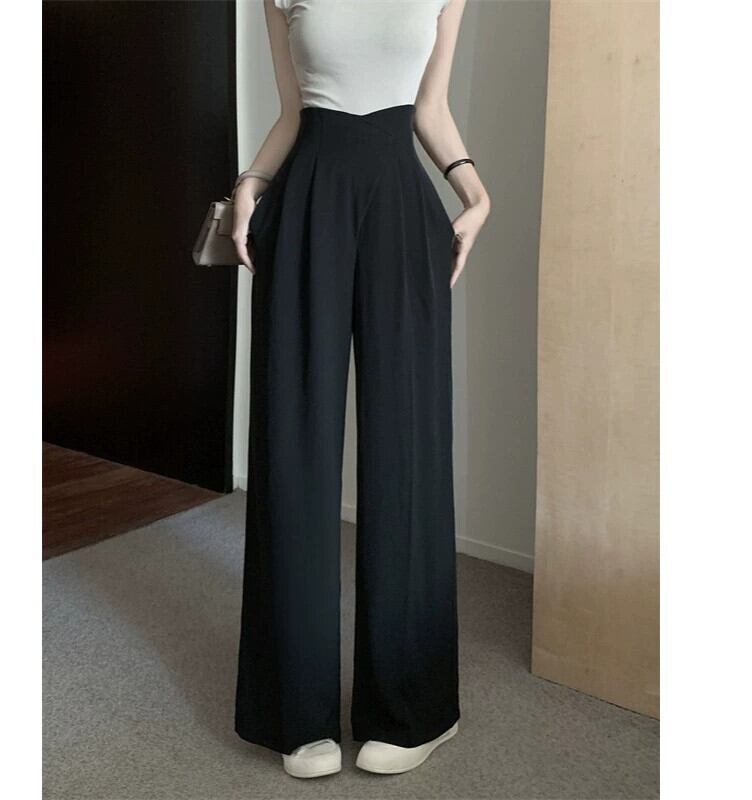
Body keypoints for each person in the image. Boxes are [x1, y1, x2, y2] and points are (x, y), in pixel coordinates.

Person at [232, 0, 490, 778]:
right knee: (294, 445)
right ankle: (296, 712)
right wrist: (250, 183)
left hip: (402, 208)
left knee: (407, 448)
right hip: (306, 200)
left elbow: (429, 108)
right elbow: (292, 112)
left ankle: (414, 708)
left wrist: (474, 192)